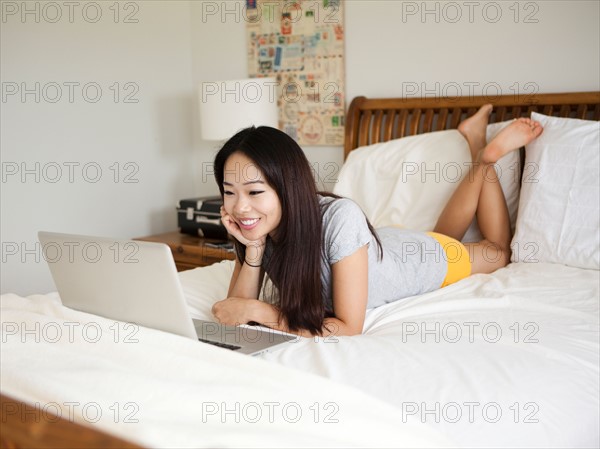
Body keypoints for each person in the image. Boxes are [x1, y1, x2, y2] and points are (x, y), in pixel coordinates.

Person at [211, 105, 543, 337]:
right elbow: (234, 311)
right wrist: (252, 249)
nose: (240, 208)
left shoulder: (339, 218)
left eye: (254, 192)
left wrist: (262, 313)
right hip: (383, 247)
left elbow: (348, 327)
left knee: (497, 251)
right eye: (229, 192)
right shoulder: (261, 228)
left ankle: (484, 155)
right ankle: (474, 139)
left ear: (288, 187)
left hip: (414, 260)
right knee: (442, 236)